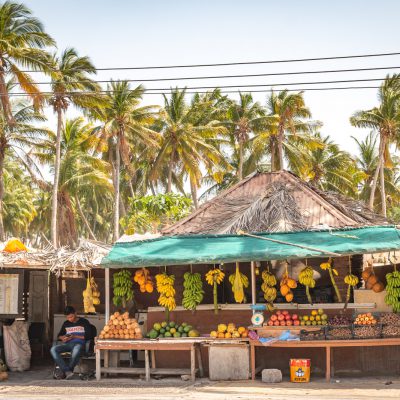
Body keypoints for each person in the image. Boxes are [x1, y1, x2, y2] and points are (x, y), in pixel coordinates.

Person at [50, 306, 92, 379]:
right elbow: (59, 335)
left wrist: (74, 336)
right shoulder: (66, 323)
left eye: (71, 317)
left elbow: (88, 336)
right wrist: (63, 338)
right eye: (68, 317)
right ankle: (67, 371)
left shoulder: (84, 322)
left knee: (76, 350)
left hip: (79, 344)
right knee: (53, 349)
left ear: (75, 313)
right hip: (68, 344)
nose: (70, 319)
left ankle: (67, 371)